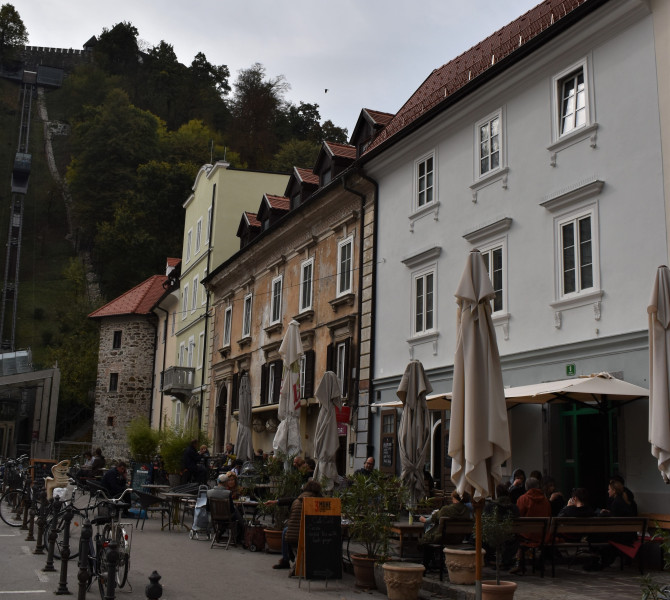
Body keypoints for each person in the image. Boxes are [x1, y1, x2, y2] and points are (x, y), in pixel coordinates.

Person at [272, 479, 323, 573]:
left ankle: (286, 559)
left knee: (285, 531)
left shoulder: (298, 499)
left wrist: (277, 501)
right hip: (311, 536)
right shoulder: (318, 501)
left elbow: (290, 503)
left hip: (293, 537)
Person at [510, 477, 551, 574]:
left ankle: (518, 563)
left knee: (514, 535)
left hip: (527, 535)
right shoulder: (546, 501)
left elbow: (517, 517)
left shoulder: (523, 499)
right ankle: (538, 561)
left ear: (526, 487)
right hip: (543, 535)